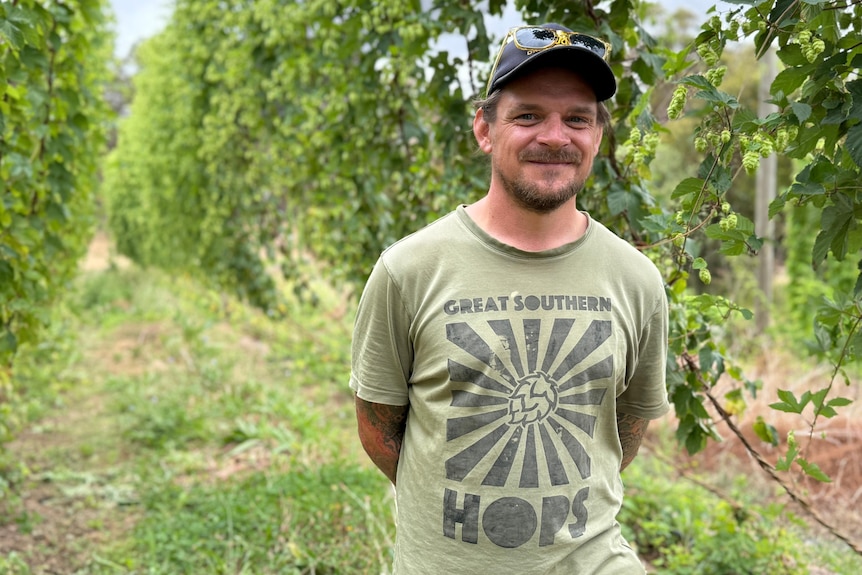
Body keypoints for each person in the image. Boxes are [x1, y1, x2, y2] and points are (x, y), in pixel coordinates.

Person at [350, 23, 669, 574]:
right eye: (528, 116)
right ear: (484, 129)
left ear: (597, 136)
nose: (555, 136)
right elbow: (380, 429)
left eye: (577, 118)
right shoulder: (409, 269)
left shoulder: (636, 279)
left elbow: (626, 428)